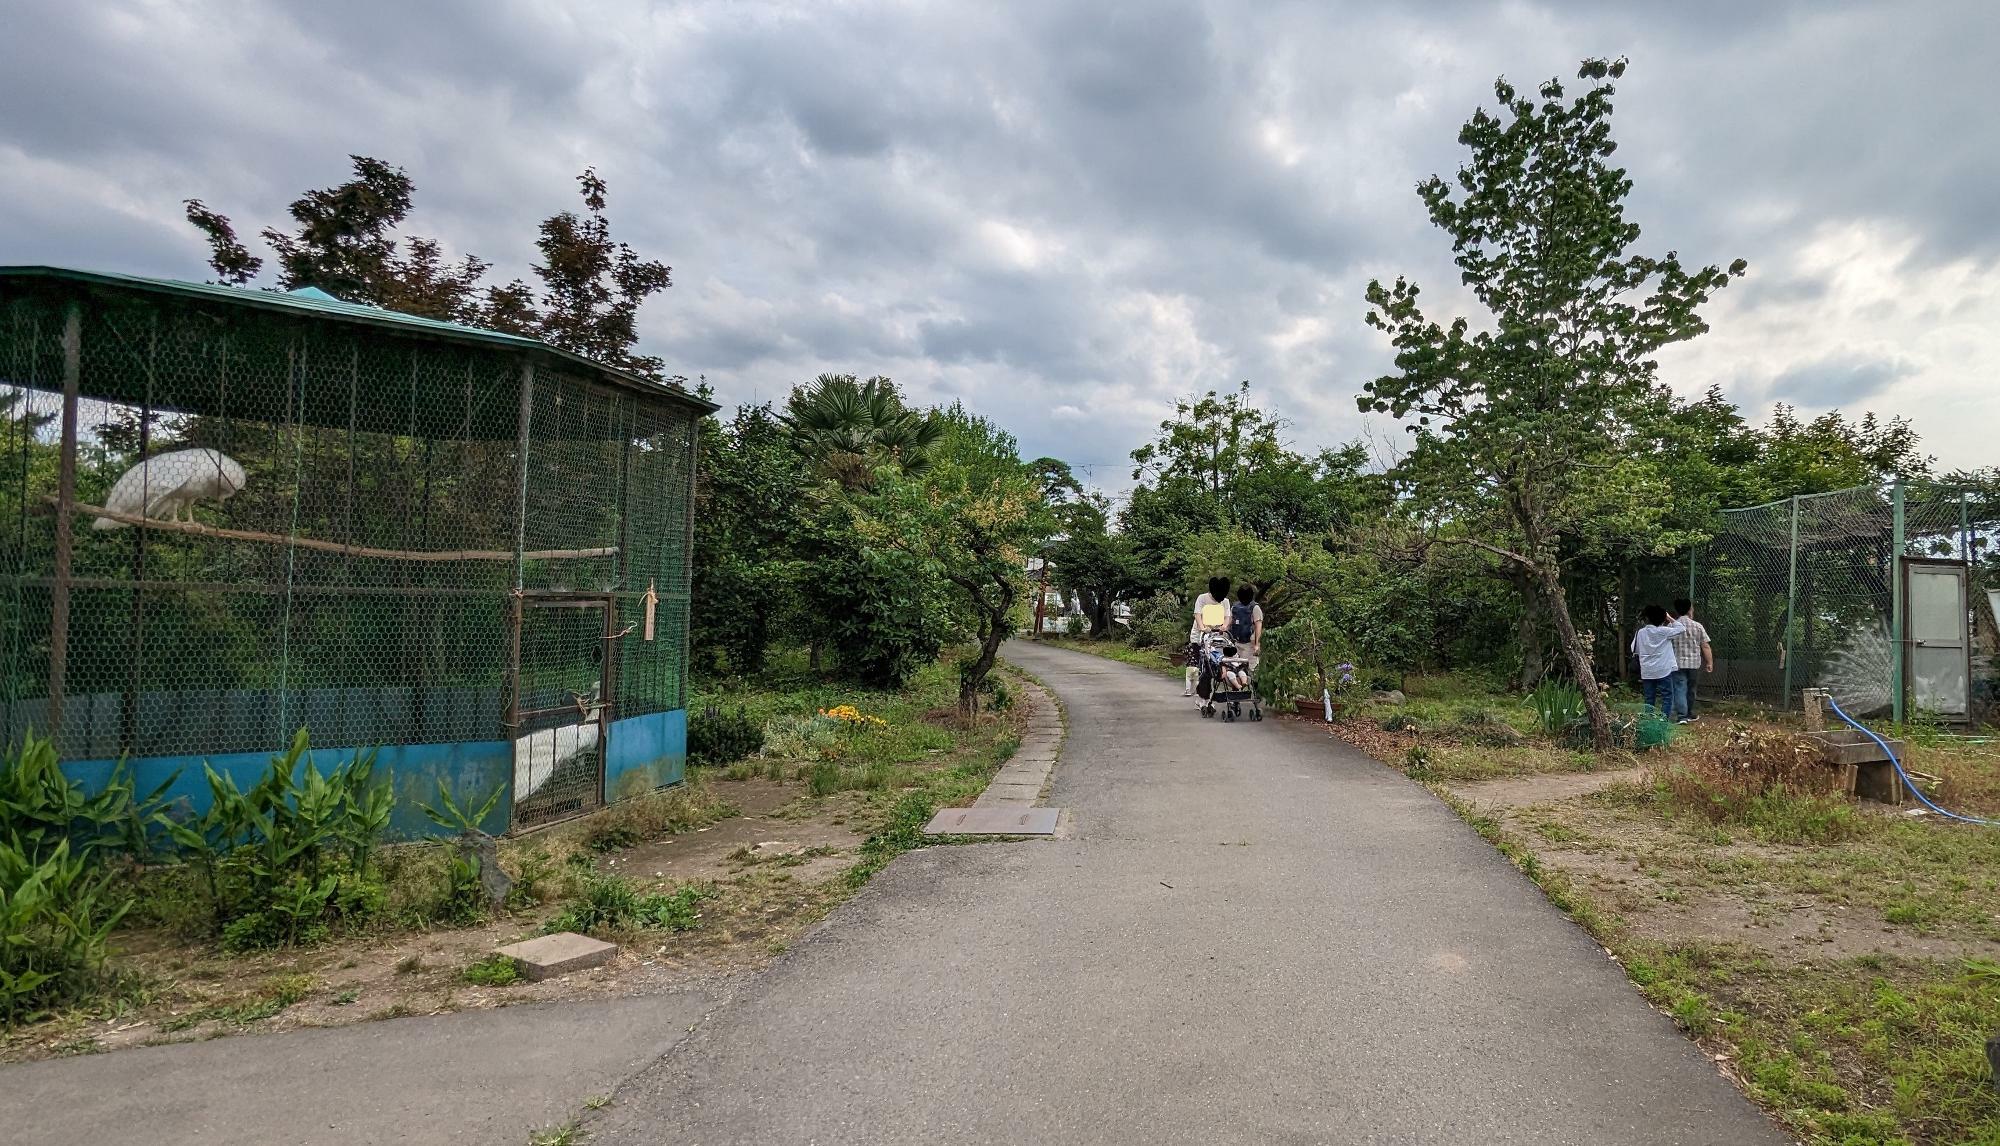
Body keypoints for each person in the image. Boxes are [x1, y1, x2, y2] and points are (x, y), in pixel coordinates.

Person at [1631, 604, 1689, 720]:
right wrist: (1669, 618)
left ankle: (1649, 719)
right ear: (1662, 618)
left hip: (1647, 671)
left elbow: (1634, 649)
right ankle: (1663, 720)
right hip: (1663, 670)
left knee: (1649, 698)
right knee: (1667, 696)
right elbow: (1682, 629)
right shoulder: (1664, 631)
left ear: (1647, 618)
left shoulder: (1640, 632)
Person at [1669, 597, 1713, 723]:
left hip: (1677, 663)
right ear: (1689, 610)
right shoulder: (1697, 626)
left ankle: (1681, 716)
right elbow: (1705, 645)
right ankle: (1688, 713)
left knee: (1679, 688)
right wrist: (1710, 662)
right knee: (1691, 689)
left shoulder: (1671, 626)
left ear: (1677, 611)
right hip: (1694, 664)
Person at [1186, 576, 1231, 696]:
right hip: (1201, 636)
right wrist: (1202, 627)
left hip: (1216, 638)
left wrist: (1225, 626)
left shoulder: (1225, 601)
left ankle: (1212, 693)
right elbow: (1197, 614)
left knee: (1216, 664)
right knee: (1203, 667)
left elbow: (1227, 616)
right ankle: (1201, 696)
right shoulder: (1202, 598)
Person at [1229, 584, 1264, 664]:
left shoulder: (1255, 608)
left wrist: (1257, 644)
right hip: (1236, 642)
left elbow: (1258, 627)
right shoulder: (1235, 607)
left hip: (1249, 643)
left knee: (1250, 667)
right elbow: (1230, 621)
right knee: (1237, 668)